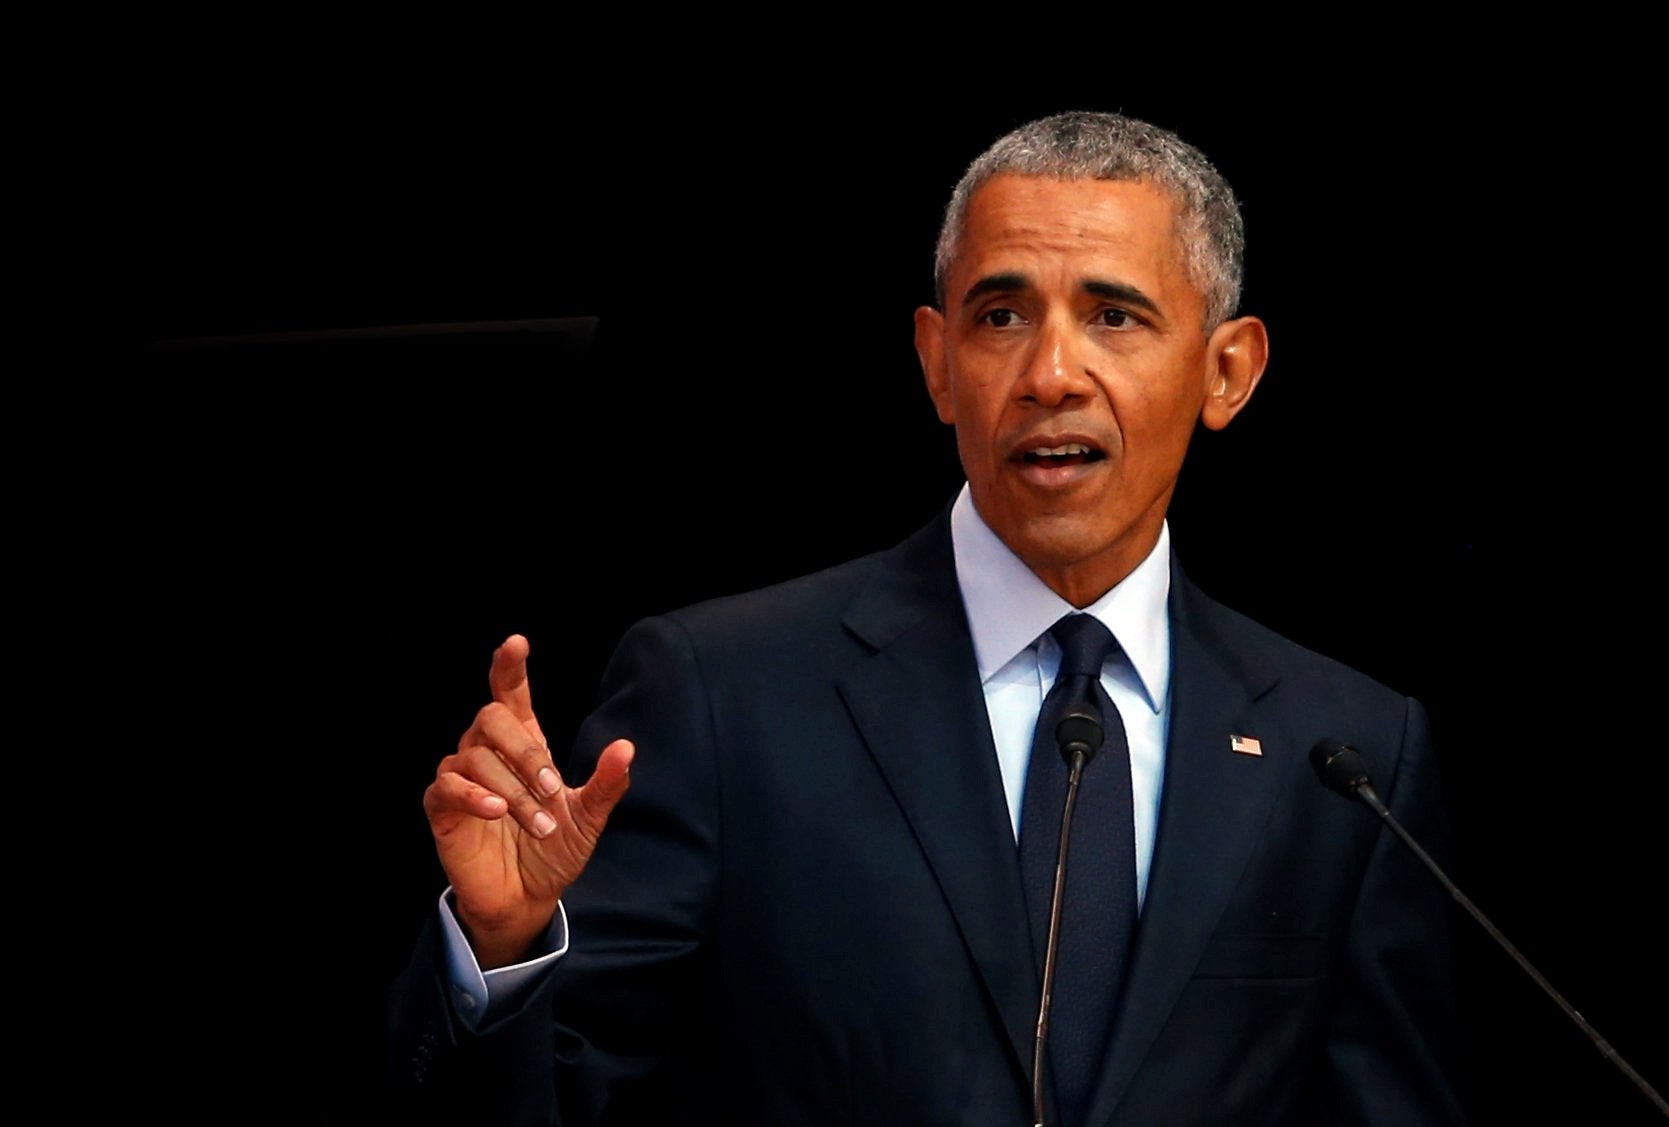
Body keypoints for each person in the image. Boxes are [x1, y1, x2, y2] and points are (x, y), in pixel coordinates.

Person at [389, 111, 1464, 1125]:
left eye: (1113, 316)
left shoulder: (1348, 752)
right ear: (937, 362)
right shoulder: (725, 693)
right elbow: (559, 1099)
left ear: (1226, 371)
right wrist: (502, 945)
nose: (1049, 374)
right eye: (1000, 316)